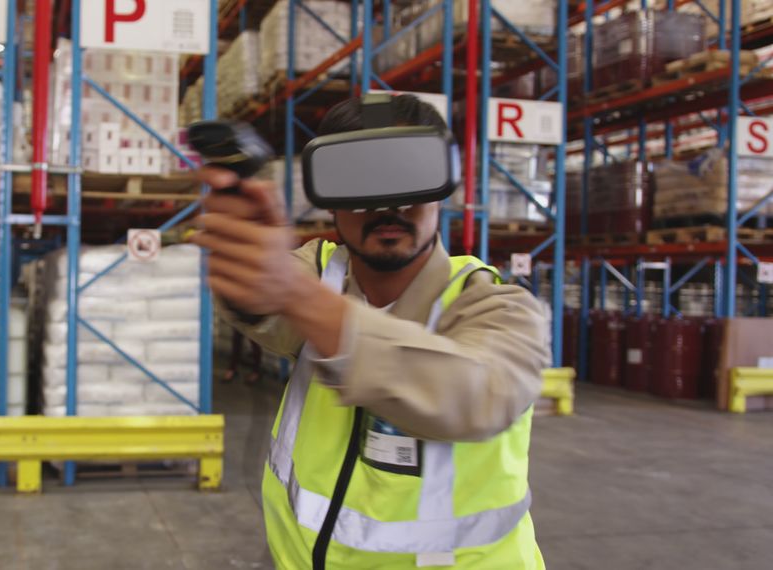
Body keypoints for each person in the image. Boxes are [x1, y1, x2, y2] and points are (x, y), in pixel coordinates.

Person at [189, 94, 550, 569]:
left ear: (442, 182)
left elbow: (478, 393)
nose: (388, 204)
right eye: (360, 179)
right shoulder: (320, 273)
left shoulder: (494, 302)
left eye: (406, 174)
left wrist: (299, 297)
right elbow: (265, 309)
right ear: (330, 198)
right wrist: (251, 266)